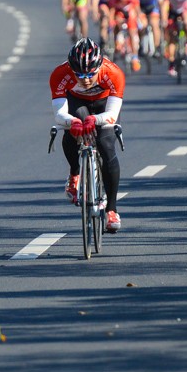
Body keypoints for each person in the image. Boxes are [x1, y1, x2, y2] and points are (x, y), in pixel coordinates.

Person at [50, 38, 125, 233]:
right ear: (71, 70)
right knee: (74, 126)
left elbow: (112, 114)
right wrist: (71, 122)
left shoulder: (113, 73)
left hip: (104, 106)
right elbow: (59, 114)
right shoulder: (60, 74)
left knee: (106, 146)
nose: (85, 79)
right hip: (77, 103)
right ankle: (75, 173)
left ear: (100, 66)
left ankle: (111, 210)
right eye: (79, 74)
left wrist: (97, 120)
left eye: (91, 73)